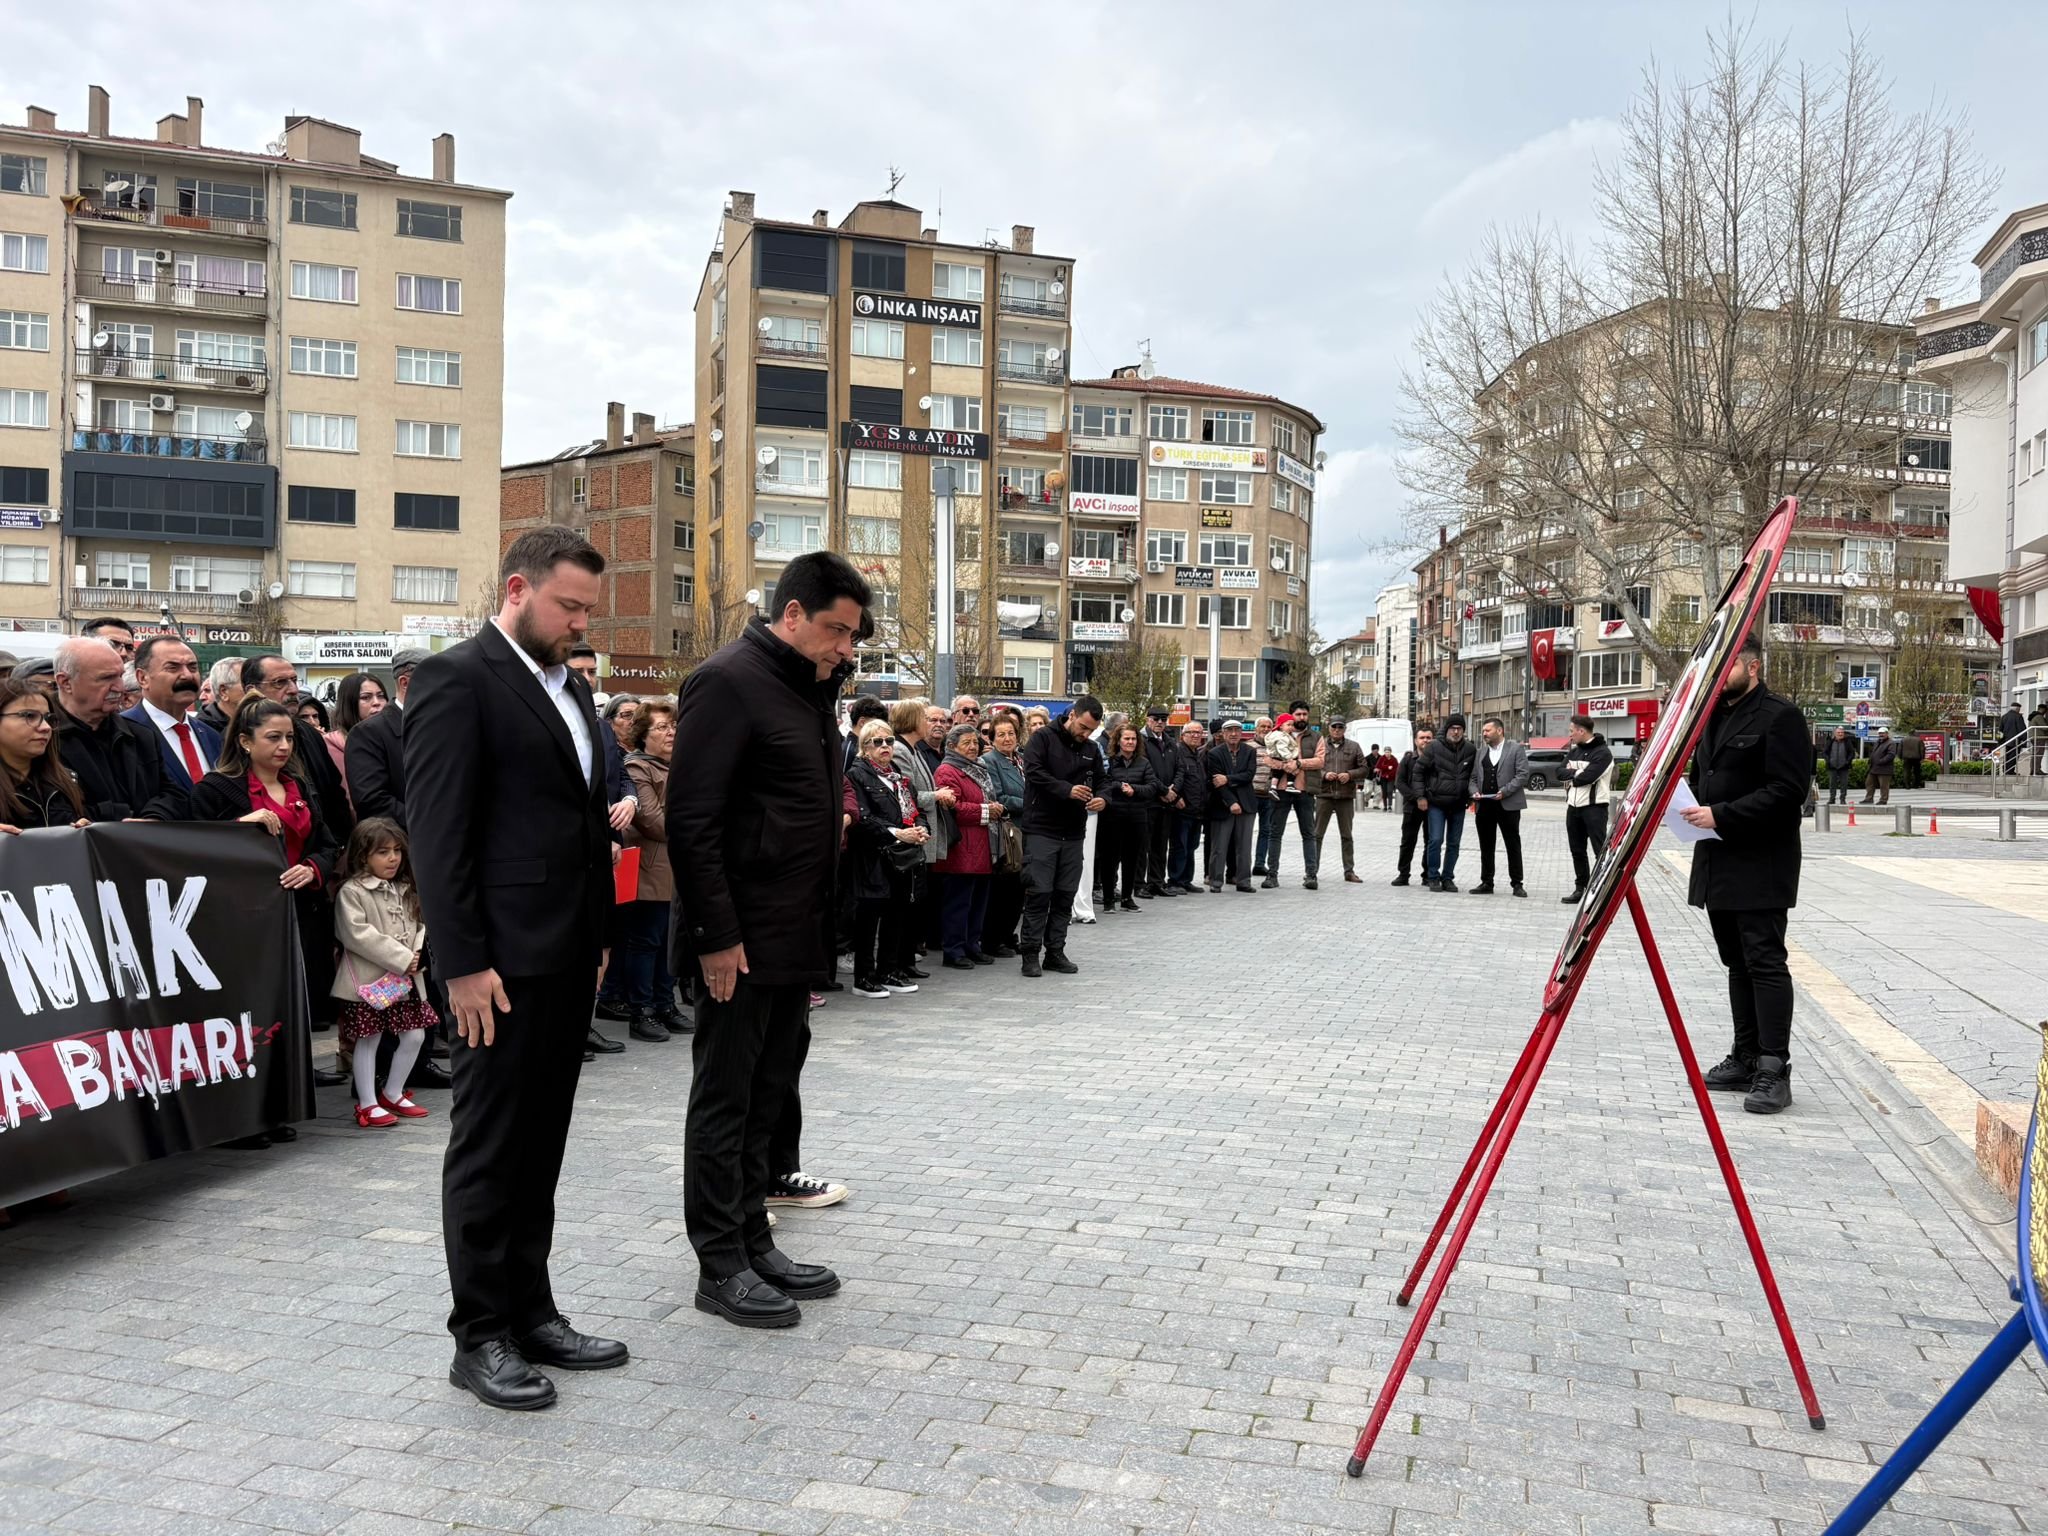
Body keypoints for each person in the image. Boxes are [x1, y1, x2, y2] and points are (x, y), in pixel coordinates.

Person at [405, 527, 627, 1409]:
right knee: (492, 1146)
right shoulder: (458, 679)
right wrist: (461, 965)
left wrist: (600, 932)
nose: (580, 623)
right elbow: (437, 834)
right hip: (493, 965)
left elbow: (579, 824)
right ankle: (481, 1335)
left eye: (587, 610)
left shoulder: (567, 687)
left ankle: (532, 1312)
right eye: (568, 606)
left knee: (542, 1143)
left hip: (566, 952)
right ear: (516, 589)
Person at [668, 549, 867, 1329]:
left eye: (853, 636)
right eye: (834, 631)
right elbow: (693, 821)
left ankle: (755, 1237)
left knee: (768, 1094)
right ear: (790, 615)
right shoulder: (728, 681)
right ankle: (719, 1261)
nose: (845, 648)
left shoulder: (809, 689)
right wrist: (716, 935)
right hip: (740, 941)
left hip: (795, 933)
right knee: (725, 1096)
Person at [190, 694, 343, 1147]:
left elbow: (328, 842)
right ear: (244, 740)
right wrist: (241, 824)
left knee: (284, 1015)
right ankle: (235, 1118)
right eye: (273, 738)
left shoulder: (299, 784)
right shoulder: (215, 789)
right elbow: (194, 851)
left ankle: (274, 1108)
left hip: (297, 916)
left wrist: (314, 867)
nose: (283, 747)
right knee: (242, 1019)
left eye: (289, 738)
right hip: (240, 923)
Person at [1682, 633, 1809, 1116]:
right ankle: (1746, 1054)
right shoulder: (1714, 715)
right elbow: (1707, 779)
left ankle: (1775, 1067)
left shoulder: (1780, 716)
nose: (1718, 673)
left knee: (1765, 962)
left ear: (1752, 667)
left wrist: (1722, 814)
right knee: (1736, 961)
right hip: (1718, 861)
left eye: (1727, 663)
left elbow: (1787, 792)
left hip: (1762, 862)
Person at [332, 818, 434, 1129]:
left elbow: (418, 924)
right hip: (370, 981)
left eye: (397, 851)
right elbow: (356, 934)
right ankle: (367, 1103)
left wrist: (416, 952)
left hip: (404, 980)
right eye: (383, 852)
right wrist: (403, 957)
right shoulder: (352, 891)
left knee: (415, 1035)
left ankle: (392, 1091)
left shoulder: (405, 887)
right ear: (363, 855)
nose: (393, 858)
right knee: (369, 1038)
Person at [1017, 693, 1105, 977]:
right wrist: (1066, 789)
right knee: (1039, 893)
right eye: (1083, 726)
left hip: (1073, 831)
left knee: (1065, 895)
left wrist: (1103, 799)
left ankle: (1055, 951)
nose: (1086, 733)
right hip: (1042, 827)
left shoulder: (1091, 749)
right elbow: (1034, 772)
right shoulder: (1043, 738)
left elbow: (1105, 782)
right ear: (1071, 716)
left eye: (1091, 730)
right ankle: (1030, 953)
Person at [51, 638, 184, 822]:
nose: (120, 688)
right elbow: (46, 811)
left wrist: (153, 817)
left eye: (120, 676)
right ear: (65, 682)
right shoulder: (41, 739)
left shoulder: (141, 736)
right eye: (106, 678)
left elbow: (172, 794)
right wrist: (119, 817)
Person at [615, 700, 684, 1042]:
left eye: (673, 725)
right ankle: (641, 1011)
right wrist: (694, 827)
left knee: (669, 943)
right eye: (661, 727)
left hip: (678, 868)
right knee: (646, 943)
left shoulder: (681, 764)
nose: (671, 732)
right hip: (649, 869)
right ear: (643, 734)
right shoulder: (636, 767)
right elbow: (653, 820)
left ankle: (664, 1004)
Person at [844, 718, 928, 996]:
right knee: (869, 919)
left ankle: (889, 971)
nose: (885, 747)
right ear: (864, 748)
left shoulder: (898, 776)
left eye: (889, 741)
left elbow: (915, 810)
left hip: (903, 858)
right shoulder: (857, 775)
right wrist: (896, 832)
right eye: (877, 742)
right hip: (873, 856)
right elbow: (862, 818)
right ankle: (864, 978)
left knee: (897, 914)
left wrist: (921, 829)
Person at [242, 654, 354, 844]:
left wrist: (334, 849)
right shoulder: (235, 740)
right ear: (252, 689)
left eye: (294, 680)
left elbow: (334, 795)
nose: (293, 690)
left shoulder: (310, 734)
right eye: (280, 683)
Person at [887, 698, 949, 981]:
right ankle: (900, 960)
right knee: (906, 904)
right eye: (925, 718)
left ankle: (907, 959)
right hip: (909, 835)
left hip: (922, 832)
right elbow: (905, 794)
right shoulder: (900, 750)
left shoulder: (914, 750)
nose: (931, 724)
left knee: (916, 902)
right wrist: (936, 796)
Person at [933, 721, 1002, 968]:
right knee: (958, 902)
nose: (974, 747)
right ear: (952, 746)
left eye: (975, 742)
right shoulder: (947, 771)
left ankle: (972, 945)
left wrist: (993, 809)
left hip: (982, 845)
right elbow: (952, 807)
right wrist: (986, 810)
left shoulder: (978, 768)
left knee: (978, 901)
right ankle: (953, 950)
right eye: (967, 743)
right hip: (962, 847)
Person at [122, 634, 220, 802]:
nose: (187, 676)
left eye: (192, 667)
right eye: (173, 668)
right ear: (142, 678)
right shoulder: (123, 733)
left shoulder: (212, 736)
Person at [0, 677, 90, 833]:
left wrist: (83, 830)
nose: (45, 727)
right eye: (29, 716)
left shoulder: (65, 780)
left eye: (49, 719)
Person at [978, 715, 1028, 957]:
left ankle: (1008, 935)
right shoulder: (989, 761)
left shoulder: (1021, 760)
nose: (1007, 738)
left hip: (1025, 831)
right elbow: (997, 796)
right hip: (1005, 833)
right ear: (992, 738)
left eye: (1011, 733)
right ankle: (992, 939)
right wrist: (1031, 803)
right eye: (1001, 734)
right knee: (1002, 891)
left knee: (1018, 890)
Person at [1099, 722, 1158, 910]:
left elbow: (1152, 786)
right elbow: (1104, 783)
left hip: (1137, 817)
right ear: (1118, 741)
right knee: (1110, 860)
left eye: (1133, 738)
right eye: (1127, 738)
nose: (1130, 742)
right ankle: (1109, 899)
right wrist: (1120, 786)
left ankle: (1127, 898)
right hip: (1112, 817)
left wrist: (1135, 789)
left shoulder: (1144, 762)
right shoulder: (1109, 760)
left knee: (1132, 859)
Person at [1468, 716, 1529, 898]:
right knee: (1486, 845)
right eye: (1483, 731)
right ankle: (1487, 882)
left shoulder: (1515, 749)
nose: (1484, 733)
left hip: (1507, 805)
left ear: (1499, 731)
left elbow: (1523, 775)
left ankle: (1517, 883)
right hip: (1484, 806)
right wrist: (1474, 792)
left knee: (1512, 844)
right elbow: (1472, 778)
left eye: (1487, 730)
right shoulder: (1480, 752)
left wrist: (1505, 791)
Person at [1559, 715, 1614, 903]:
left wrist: (1573, 774)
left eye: (1571, 731)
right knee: (1577, 850)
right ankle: (1580, 888)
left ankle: (1603, 888)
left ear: (1581, 731)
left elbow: (1588, 778)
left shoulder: (1603, 753)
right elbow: (1559, 772)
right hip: (1573, 808)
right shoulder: (1574, 752)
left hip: (1594, 809)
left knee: (1599, 849)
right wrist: (1577, 773)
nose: (1570, 735)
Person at [1269, 704, 1323, 890]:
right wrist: (1285, 766)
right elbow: (1268, 759)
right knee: (1275, 833)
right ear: (1291, 716)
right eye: (1298, 714)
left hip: (1305, 790)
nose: (1301, 717)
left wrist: (1299, 763)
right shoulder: (1279, 734)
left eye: (1304, 714)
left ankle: (1311, 875)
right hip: (1282, 790)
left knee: (1309, 833)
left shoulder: (1316, 737)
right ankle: (1272, 875)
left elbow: (1320, 760)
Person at [1203, 719, 1258, 893]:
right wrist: (1232, 802)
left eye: (1237, 730)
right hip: (1222, 804)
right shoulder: (1214, 753)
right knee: (1219, 846)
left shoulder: (1250, 751)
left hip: (1247, 804)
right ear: (1223, 733)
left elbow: (1249, 775)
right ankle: (1216, 881)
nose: (1233, 734)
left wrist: (1228, 778)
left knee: (1244, 846)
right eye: (1229, 730)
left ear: (1241, 733)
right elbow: (1215, 781)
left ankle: (1244, 881)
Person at [1421, 714, 1475, 892]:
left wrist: (1472, 797)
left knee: (1454, 843)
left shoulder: (1470, 749)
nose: (1456, 731)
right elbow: (1418, 772)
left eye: (1460, 728)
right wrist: (1421, 796)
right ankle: (1433, 876)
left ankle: (1448, 877)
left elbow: (1473, 776)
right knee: (1435, 840)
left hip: (1458, 804)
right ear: (1447, 729)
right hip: (1437, 803)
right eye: (1453, 728)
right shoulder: (1434, 747)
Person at [1316, 718, 1368, 882]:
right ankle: (1312, 871)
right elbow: (1310, 766)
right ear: (1329, 728)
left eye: (1340, 727)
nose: (1337, 730)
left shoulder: (1354, 746)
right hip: (1324, 795)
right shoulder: (1320, 745)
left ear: (1344, 729)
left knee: (1346, 835)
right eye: (1334, 727)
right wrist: (1324, 774)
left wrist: (1350, 774)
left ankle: (1349, 871)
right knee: (1317, 835)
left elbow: (1365, 768)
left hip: (1345, 796)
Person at [1139, 706, 1182, 899]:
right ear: (1148, 720)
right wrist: (1163, 791)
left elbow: (1181, 769)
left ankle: (1156, 882)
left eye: (1164, 719)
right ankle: (1138, 884)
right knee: (1143, 846)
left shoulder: (1171, 742)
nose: (1160, 723)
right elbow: (1145, 770)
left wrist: (1174, 790)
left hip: (1167, 803)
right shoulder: (1141, 741)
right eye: (1156, 719)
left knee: (1160, 845)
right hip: (1149, 801)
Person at [1168, 720, 1209, 893]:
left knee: (1191, 846)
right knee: (1180, 846)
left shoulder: (1197, 755)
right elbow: (1171, 778)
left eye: (1198, 733)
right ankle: (1174, 881)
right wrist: (1176, 797)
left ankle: (1186, 880)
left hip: (1196, 810)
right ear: (1183, 735)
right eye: (1191, 732)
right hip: (1181, 809)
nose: (1195, 735)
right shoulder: (1177, 753)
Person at [1391, 726, 1436, 885]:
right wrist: (1416, 798)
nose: (1425, 740)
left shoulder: (1438, 759)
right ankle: (1403, 874)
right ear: (1416, 740)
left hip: (1433, 807)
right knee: (1408, 841)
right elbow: (1400, 782)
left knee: (1431, 841)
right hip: (1412, 807)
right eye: (1422, 737)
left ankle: (1428, 875)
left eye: (1428, 737)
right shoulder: (1408, 759)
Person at [196, 657, 244, 736]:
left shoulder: (261, 721)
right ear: (224, 692)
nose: (257, 689)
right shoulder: (202, 733)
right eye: (247, 683)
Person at [1861, 728, 1896, 805]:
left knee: (1884, 786)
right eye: (1880, 733)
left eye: (1883, 733)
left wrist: (1881, 761)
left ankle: (1883, 800)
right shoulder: (1877, 742)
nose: (1881, 735)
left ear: (1887, 733)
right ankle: (1869, 799)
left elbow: (1891, 755)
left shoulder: (1891, 743)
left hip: (1885, 769)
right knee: (1869, 783)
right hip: (1874, 768)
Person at [1823, 727, 1855, 805]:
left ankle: (1842, 799)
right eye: (1838, 732)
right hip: (1832, 766)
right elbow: (1824, 752)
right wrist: (1828, 761)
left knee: (1844, 784)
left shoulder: (1847, 742)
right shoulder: (1830, 741)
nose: (1840, 734)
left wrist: (1847, 762)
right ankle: (1832, 799)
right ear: (1835, 733)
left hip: (1844, 767)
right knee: (1832, 784)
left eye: (1842, 732)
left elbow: (1852, 753)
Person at [2000, 700, 2027, 774]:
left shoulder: (2004, 716)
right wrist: (2024, 740)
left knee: (2007, 755)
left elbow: (2000, 729)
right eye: (2019, 709)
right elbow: (2022, 729)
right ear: (2017, 709)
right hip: (2016, 741)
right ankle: (2010, 771)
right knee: (2014, 756)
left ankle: (2005, 769)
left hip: (2007, 740)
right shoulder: (2018, 717)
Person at [1374, 743, 1398, 811]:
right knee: (1384, 792)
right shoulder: (1382, 758)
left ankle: (1390, 806)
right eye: (1386, 752)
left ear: (1390, 752)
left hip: (1391, 778)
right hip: (1383, 778)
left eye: (1388, 752)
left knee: (1390, 791)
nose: (1387, 753)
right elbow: (1378, 767)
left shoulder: (1394, 759)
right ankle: (1385, 806)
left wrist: (1389, 774)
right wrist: (1387, 767)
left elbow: (1396, 769)